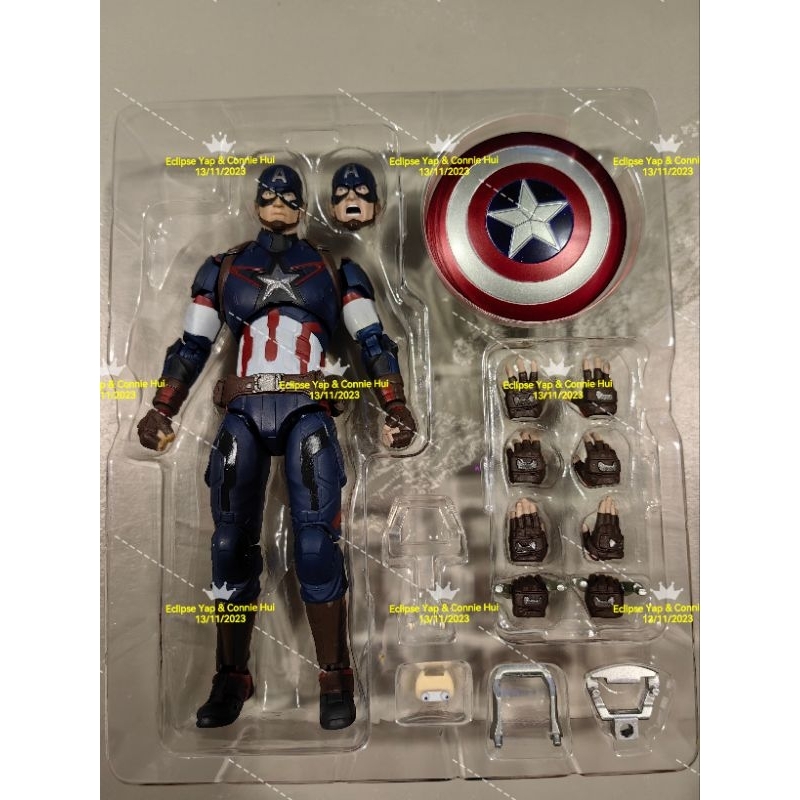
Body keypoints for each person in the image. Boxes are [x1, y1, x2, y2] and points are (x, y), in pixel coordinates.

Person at [137, 163, 416, 730]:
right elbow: (191, 346)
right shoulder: (223, 269)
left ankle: (335, 676)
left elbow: (372, 341)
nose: (280, 203)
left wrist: (396, 404)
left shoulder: (336, 269)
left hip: (306, 410)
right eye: (271, 195)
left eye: (290, 196)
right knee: (227, 544)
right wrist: (162, 406)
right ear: (256, 202)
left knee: (315, 546)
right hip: (243, 412)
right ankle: (230, 677)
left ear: (304, 204)